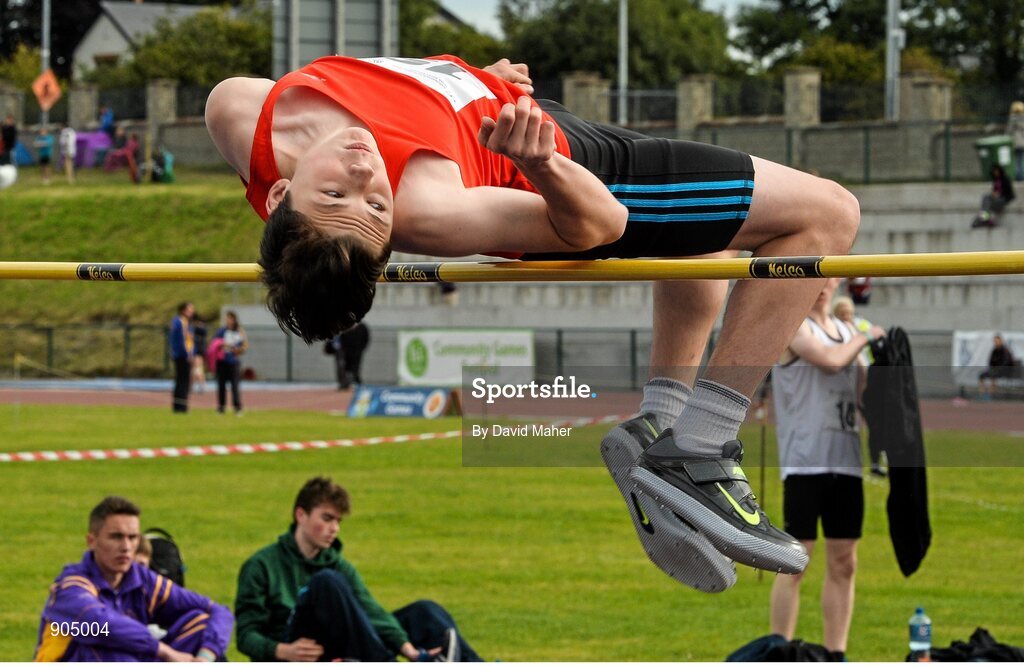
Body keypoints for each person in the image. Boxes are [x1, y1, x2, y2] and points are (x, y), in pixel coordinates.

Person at [206, 54, 862, 585]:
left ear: (280, 193)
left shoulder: (237, 109)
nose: (362, 170)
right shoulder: (429, 205)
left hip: (530, 113)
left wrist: (470, 89)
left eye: (340, 195)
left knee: (704, 252)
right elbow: (605, 225)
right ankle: (700, 447)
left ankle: (657, 427)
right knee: (826, 214)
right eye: (378, 206)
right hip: (584, 174)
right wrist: (542, 162)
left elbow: (396, 94)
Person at [235, 476, 481, 662]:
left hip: (339, 643)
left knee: (425, 612)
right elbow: (246, 635)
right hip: (297, 649)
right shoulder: (261, 566)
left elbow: (370, 609)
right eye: (327, 519)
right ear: (301, 515)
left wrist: (409, 651)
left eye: (338, 522)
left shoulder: (337, 563)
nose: (335, 529)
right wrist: (282, 651)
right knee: (326, 583)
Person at [768, 278, 884, 659]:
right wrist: (866, 338)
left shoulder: (849, 331)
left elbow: (867, 396)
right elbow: (832, 362)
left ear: (836, 281)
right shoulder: (794, 326)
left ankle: (837, 653)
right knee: (795, 561)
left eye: (825, 277)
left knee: (845, 562)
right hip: (804, 463)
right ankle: (779, 647)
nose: (818, 285)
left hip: (846, 463)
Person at [33, 496, 233, 661]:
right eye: (116, 537)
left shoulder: (141, 578)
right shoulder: (72, 586)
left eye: (133, 537)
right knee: (104, 645)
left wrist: (205, 657)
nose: (126, 547)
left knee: (201, 622)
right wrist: (165, 651)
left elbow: (217, 610)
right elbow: (102, 627)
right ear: (91, 541)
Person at [832, 295, 886, 477]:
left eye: (849, 312)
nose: (846, 315)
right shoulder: (833, 331)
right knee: (843, 425)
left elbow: (877, 341)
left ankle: (875, 461)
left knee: (874, 424)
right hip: (842, 385)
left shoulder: (861, 326)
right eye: (843, 313)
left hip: (865, 385)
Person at [213, 310, 247, 414]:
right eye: (227, 318)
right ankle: (221, 407)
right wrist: (223, 345)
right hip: (222, 362)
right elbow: (215, 344)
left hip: (233, 362)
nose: (228, 320)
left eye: (230, 318)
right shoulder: (221, 331)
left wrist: (237, 349)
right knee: (221, 385)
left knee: (235, 386)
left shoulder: (239, 331)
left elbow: (244, 346)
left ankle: (237, 408)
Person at [327, 321, 370, 389]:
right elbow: (334, 338)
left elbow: (366, 339)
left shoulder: (361, 327)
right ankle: (344, 382)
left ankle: (355, 381)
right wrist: (329, 348)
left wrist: (361, 348)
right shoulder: (341, 326)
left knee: (355, 366)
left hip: (356, 351)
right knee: (343, 366)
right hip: (343, 351)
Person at [169, 302, 194, 413]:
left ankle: (178, 406)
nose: (192, 312)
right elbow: (183, 340)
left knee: (180, 380)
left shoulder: (181, 322)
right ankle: (181, 406)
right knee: (183, 381)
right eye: (189, 309)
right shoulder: (180, 322)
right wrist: (187, 354)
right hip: (182, 356)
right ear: (183, 310)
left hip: (180, 354)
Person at [977, 334, 1018, 400]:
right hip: (995, 370)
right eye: (995, 341)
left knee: (993, 375)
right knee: (981, 375)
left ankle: (990, 395)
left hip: (1006, 371)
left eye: (997, 341)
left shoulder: (1005, 351)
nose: (996, 343)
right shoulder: (994, 351)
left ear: (1001, 341)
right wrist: (992, 368)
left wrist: (997, 369)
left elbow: (1006, 363)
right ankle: (982, 394)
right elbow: (990, 362)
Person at [1006, 101, 1024, 182]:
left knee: (1017, 160)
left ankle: (1019, 176)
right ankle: (1021, 175)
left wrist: (1006, 137)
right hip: (1023, 142)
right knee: (1021, 159)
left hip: (1016, 142)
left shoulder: (1013, 118)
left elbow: (1009, 130)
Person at [190, 316, 208, 395]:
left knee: (197, 369)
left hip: (198, 351)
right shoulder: (196, 330)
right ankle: (199, 386)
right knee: (197, 369)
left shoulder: (200, 330)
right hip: (197, 351)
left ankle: (199, 386)